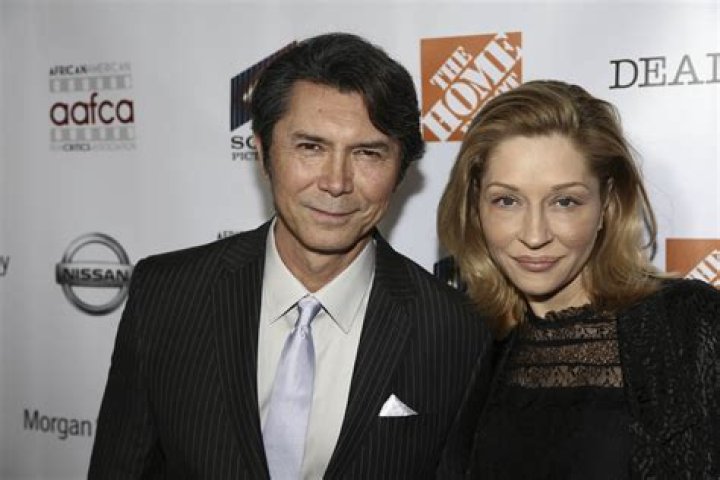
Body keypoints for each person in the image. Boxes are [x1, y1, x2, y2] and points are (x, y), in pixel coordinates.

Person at [88, 32, 491, 480]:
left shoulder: (455, 331)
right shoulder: (166, 295)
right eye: (310, 147)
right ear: (262, 151)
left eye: (367, 153)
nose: (336, 182)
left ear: (400, 169)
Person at [436, 80, 720, 479]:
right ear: (475, 207)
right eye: (507, 201)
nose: (535, 234)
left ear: (607, 204)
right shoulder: (466, 342)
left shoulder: (687, 326)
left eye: (565, 201)